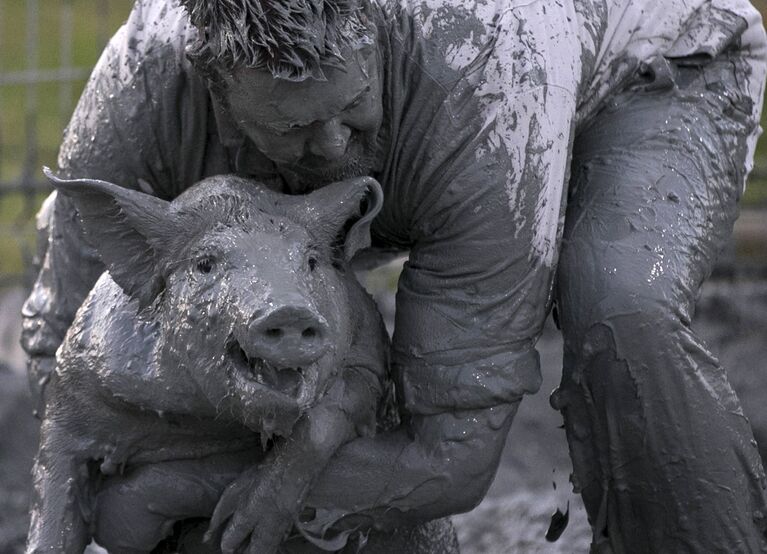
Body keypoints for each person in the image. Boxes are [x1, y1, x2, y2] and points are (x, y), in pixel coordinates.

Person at [21, 0, 767, 551]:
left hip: (661, 67)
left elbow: (450, 456)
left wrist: (168, 493)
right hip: (475, 112)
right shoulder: (143, 83)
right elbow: (60, 354)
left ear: (375, 31)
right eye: (294, 129)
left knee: (615, 298)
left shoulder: (482, 72)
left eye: (351, 109)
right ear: (213, 93)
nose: (339, 146)